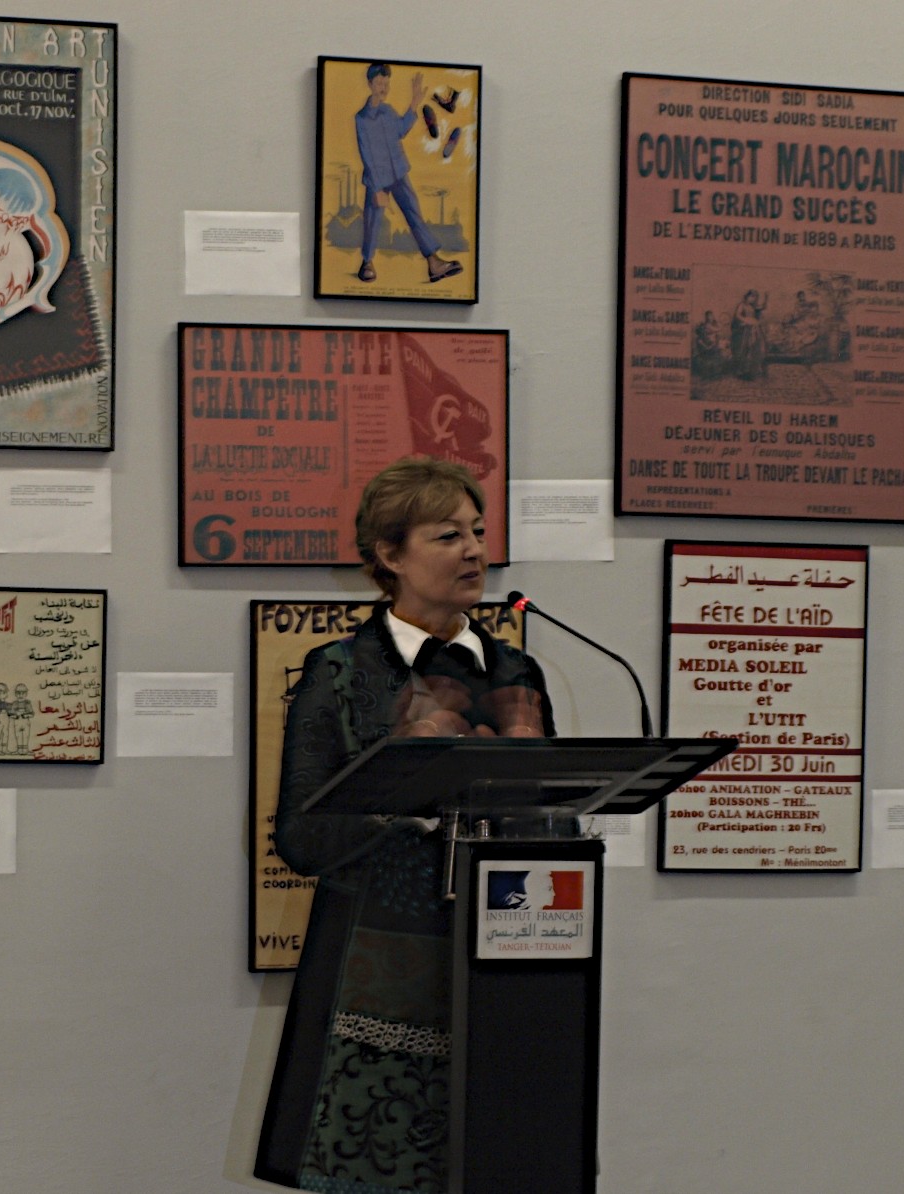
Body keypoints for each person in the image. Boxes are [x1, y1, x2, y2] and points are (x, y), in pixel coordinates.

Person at [256, 457, 554, 1193]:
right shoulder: (340, 674)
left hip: (508, 960)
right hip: (379, 970)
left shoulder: (517, 672)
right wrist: (403, 798)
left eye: (478, 531)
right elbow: (300, 839)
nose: (475, 550)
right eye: (448, 535)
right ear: (390, 555)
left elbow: (549, 819)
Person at [355, 64, 463, 286]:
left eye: (386, 83)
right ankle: (367, 262)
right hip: (378, 178)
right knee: (373, 220)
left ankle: (433, 263)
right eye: (379, 83)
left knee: (414, 214)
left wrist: (414, 103)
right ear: (370, 84)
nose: (384, 88)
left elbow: (401, 130)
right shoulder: (361, 119)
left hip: (399, 172)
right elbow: (366, 154)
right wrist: (376, 188)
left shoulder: (388, 111)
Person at [730, 288, 769, 380]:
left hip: (755, 328)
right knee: (747, 348)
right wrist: (746, 320)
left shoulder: (753, 306)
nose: (753, 299)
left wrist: (766, 298)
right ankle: (744, 370)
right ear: (747, 296)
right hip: (746, 330)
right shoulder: (742, 305)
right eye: (752, 296)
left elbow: (763, 307)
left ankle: (755, 370)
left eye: (755, 297)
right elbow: (737, 315)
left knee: (757, 347)